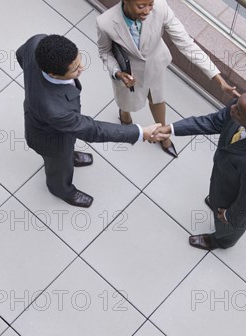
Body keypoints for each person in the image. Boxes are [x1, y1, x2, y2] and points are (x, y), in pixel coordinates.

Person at [96, 0, 237, 159]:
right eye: (140, 6)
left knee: (158, 101)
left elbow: (186, 43)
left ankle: (163, 135)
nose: (147, 11)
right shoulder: (105, 22)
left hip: (155, 66)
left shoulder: (161, 6)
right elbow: (104, 52)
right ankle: (125, 118)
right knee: (127, 102)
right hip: (127, 75)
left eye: (150, 4)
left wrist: (218, 78)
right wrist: (117, 73)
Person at [16, 34, 168, 208]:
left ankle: (69, 155)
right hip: (50, 140)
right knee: (58, 165)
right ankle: (61, 189)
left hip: (55, 124)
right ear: (53, 74)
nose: (82, 67)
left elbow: (21, 55)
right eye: (75, 69)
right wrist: (141, 132)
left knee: (67, 147)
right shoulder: (55, 111)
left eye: (79, 60)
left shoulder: (37, 43)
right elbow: (93, 130)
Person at [153, 91, 246, 249]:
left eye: (237, 110)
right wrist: (172, 129)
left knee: (230, 226)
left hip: (233, 197)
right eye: (236, 104)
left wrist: (228, 215)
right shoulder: (244, 108)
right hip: (225, 177)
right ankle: (216, 202)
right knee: (216, 198)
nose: (231, 107)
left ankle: (221, 241)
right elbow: (214, 121)